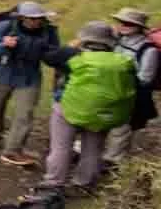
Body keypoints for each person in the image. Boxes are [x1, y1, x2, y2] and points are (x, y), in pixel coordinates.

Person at [39, 21, 138, 193]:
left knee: (61, 147)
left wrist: (73, 45)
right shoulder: (122, 60)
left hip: (68, 108)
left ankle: (54, 183)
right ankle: (84, 183)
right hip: (102, 111)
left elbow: (48, 57)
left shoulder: (72, 55)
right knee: (93, 148)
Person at [0, 0, 61, 166]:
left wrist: (51, 54)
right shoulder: (6, 26)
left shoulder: (49, 31)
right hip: (5, 71)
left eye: (38, 18)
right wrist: (4, 44)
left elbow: (54, 54)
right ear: (22, 18)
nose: (35, 21)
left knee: (25, 113)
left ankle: (12, 151)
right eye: (31, 18)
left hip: (30, 76)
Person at [102, 7, 158, 170]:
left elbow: (145, 78)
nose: (122, 26)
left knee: (121, 129)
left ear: (138, 27)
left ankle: (113, 162)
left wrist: (121, 79)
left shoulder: (149, 50)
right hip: (110, 91)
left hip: (131, 96)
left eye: (128, 23)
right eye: (121, 22)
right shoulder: (117, 40)